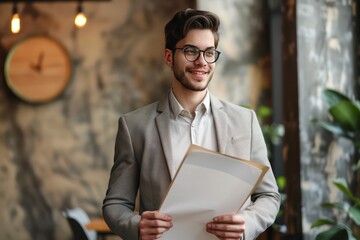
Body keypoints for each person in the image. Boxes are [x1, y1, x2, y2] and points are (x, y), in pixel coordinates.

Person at [103, 8, 280, 240]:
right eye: (190, 51)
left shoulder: (244, 122)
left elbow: (269, 196)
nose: (201, 62)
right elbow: (116, 203)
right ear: (169, 57)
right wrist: (136, 226)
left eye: (209, 52)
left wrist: (247, 223)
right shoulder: (134, 126)